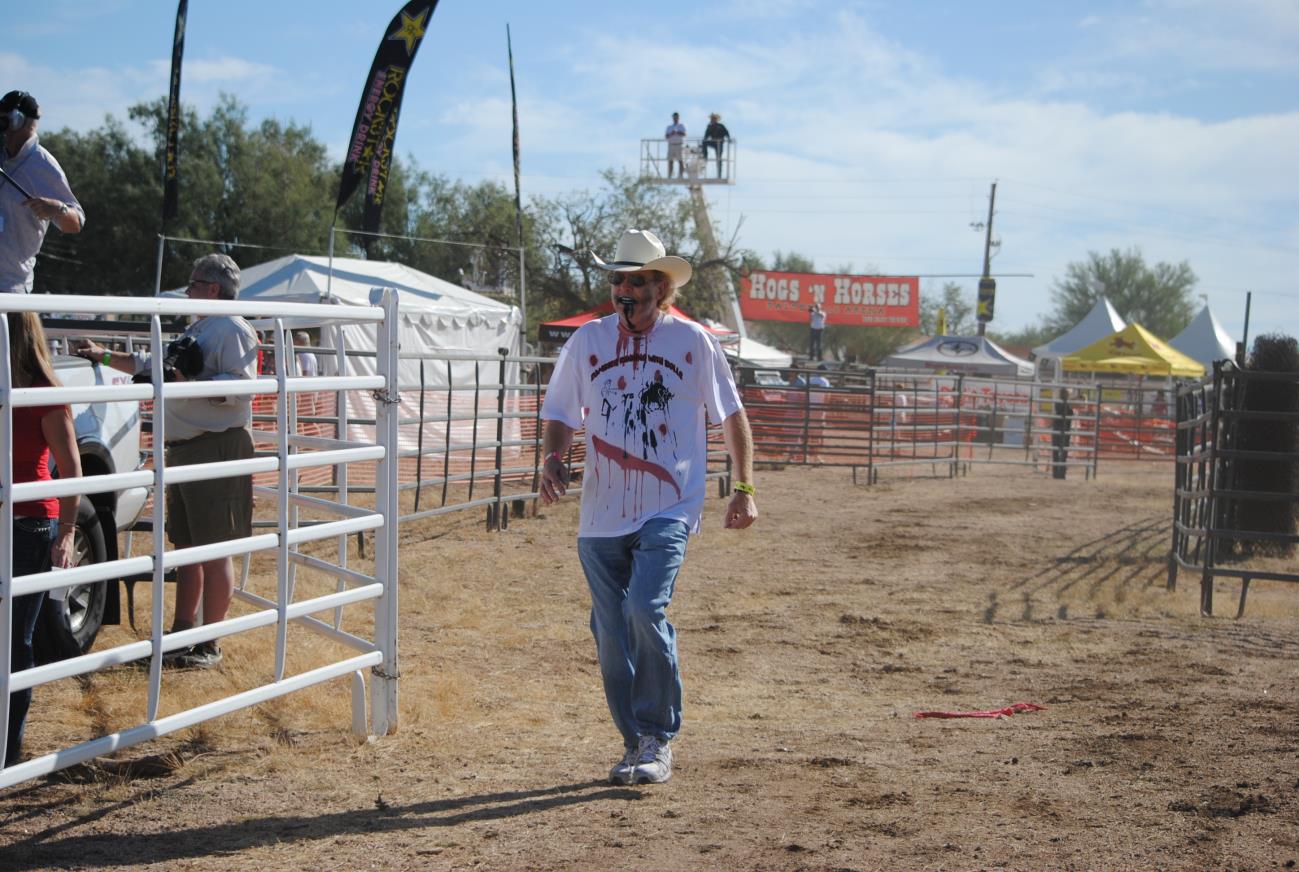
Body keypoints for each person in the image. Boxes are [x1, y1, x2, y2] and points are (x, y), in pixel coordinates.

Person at [540, 228, 758, 786]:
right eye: (617, 280)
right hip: (600, 514)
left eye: (637, 281)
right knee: (609, 630)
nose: (624, 291)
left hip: (669, 505)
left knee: (643, 608)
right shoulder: (587, 342)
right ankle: (634, 740)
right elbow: (561, 410)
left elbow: (731, 415)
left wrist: (744, 487)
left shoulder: (693, 343)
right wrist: (554, 458)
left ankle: (659, 733)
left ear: (660, 288)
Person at [73, 254, 258, 668]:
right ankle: (181, 634)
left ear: (213, 288)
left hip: (215, 445)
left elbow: (242, 387)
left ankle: (209, 643)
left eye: (193, 284)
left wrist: (187, 385)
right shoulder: (203, 327)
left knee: (214, 549)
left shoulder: (231, 327)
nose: (188, 290)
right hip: (187, 446)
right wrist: (103, 356)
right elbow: (152, 366)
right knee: (186, 548)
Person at [4, 312, 81, 765]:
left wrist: (68, 533)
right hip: (16, 520)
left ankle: (8, 751)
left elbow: (71, 467)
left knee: (16, 640)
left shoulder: (44, 394)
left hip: (28, 522)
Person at [1, 91, 84, 293]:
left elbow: (76, 222)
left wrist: (58, 209)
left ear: (16, 121)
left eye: (3, 120)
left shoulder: (43, 165)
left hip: (11, 288)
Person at [702, 113, 730, 179]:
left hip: (719, 143)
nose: (713, 119)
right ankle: (705, 157)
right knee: (704, 142)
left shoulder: (721, 126)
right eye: (712, 118)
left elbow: (726, 133)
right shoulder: (709, 127)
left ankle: (719, 175)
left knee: (719, 158)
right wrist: (705, 140)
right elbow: (706, 136)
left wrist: (729, 139)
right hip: (713, 142)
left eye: (714, 118)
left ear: (716, 119)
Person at [664, 112, 686, 179]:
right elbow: (666, 136)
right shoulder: (669, 127)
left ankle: (680, 175)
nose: (675, 118)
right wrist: (671, 133)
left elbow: (684, 134)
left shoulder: (681, 126)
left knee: (680, 160)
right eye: (674, 117)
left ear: (678, 118)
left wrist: (677, 132)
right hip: (671, 145)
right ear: (672, 118)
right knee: (670, 161)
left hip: (679, 145)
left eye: (676, 117)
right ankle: (670, 175)